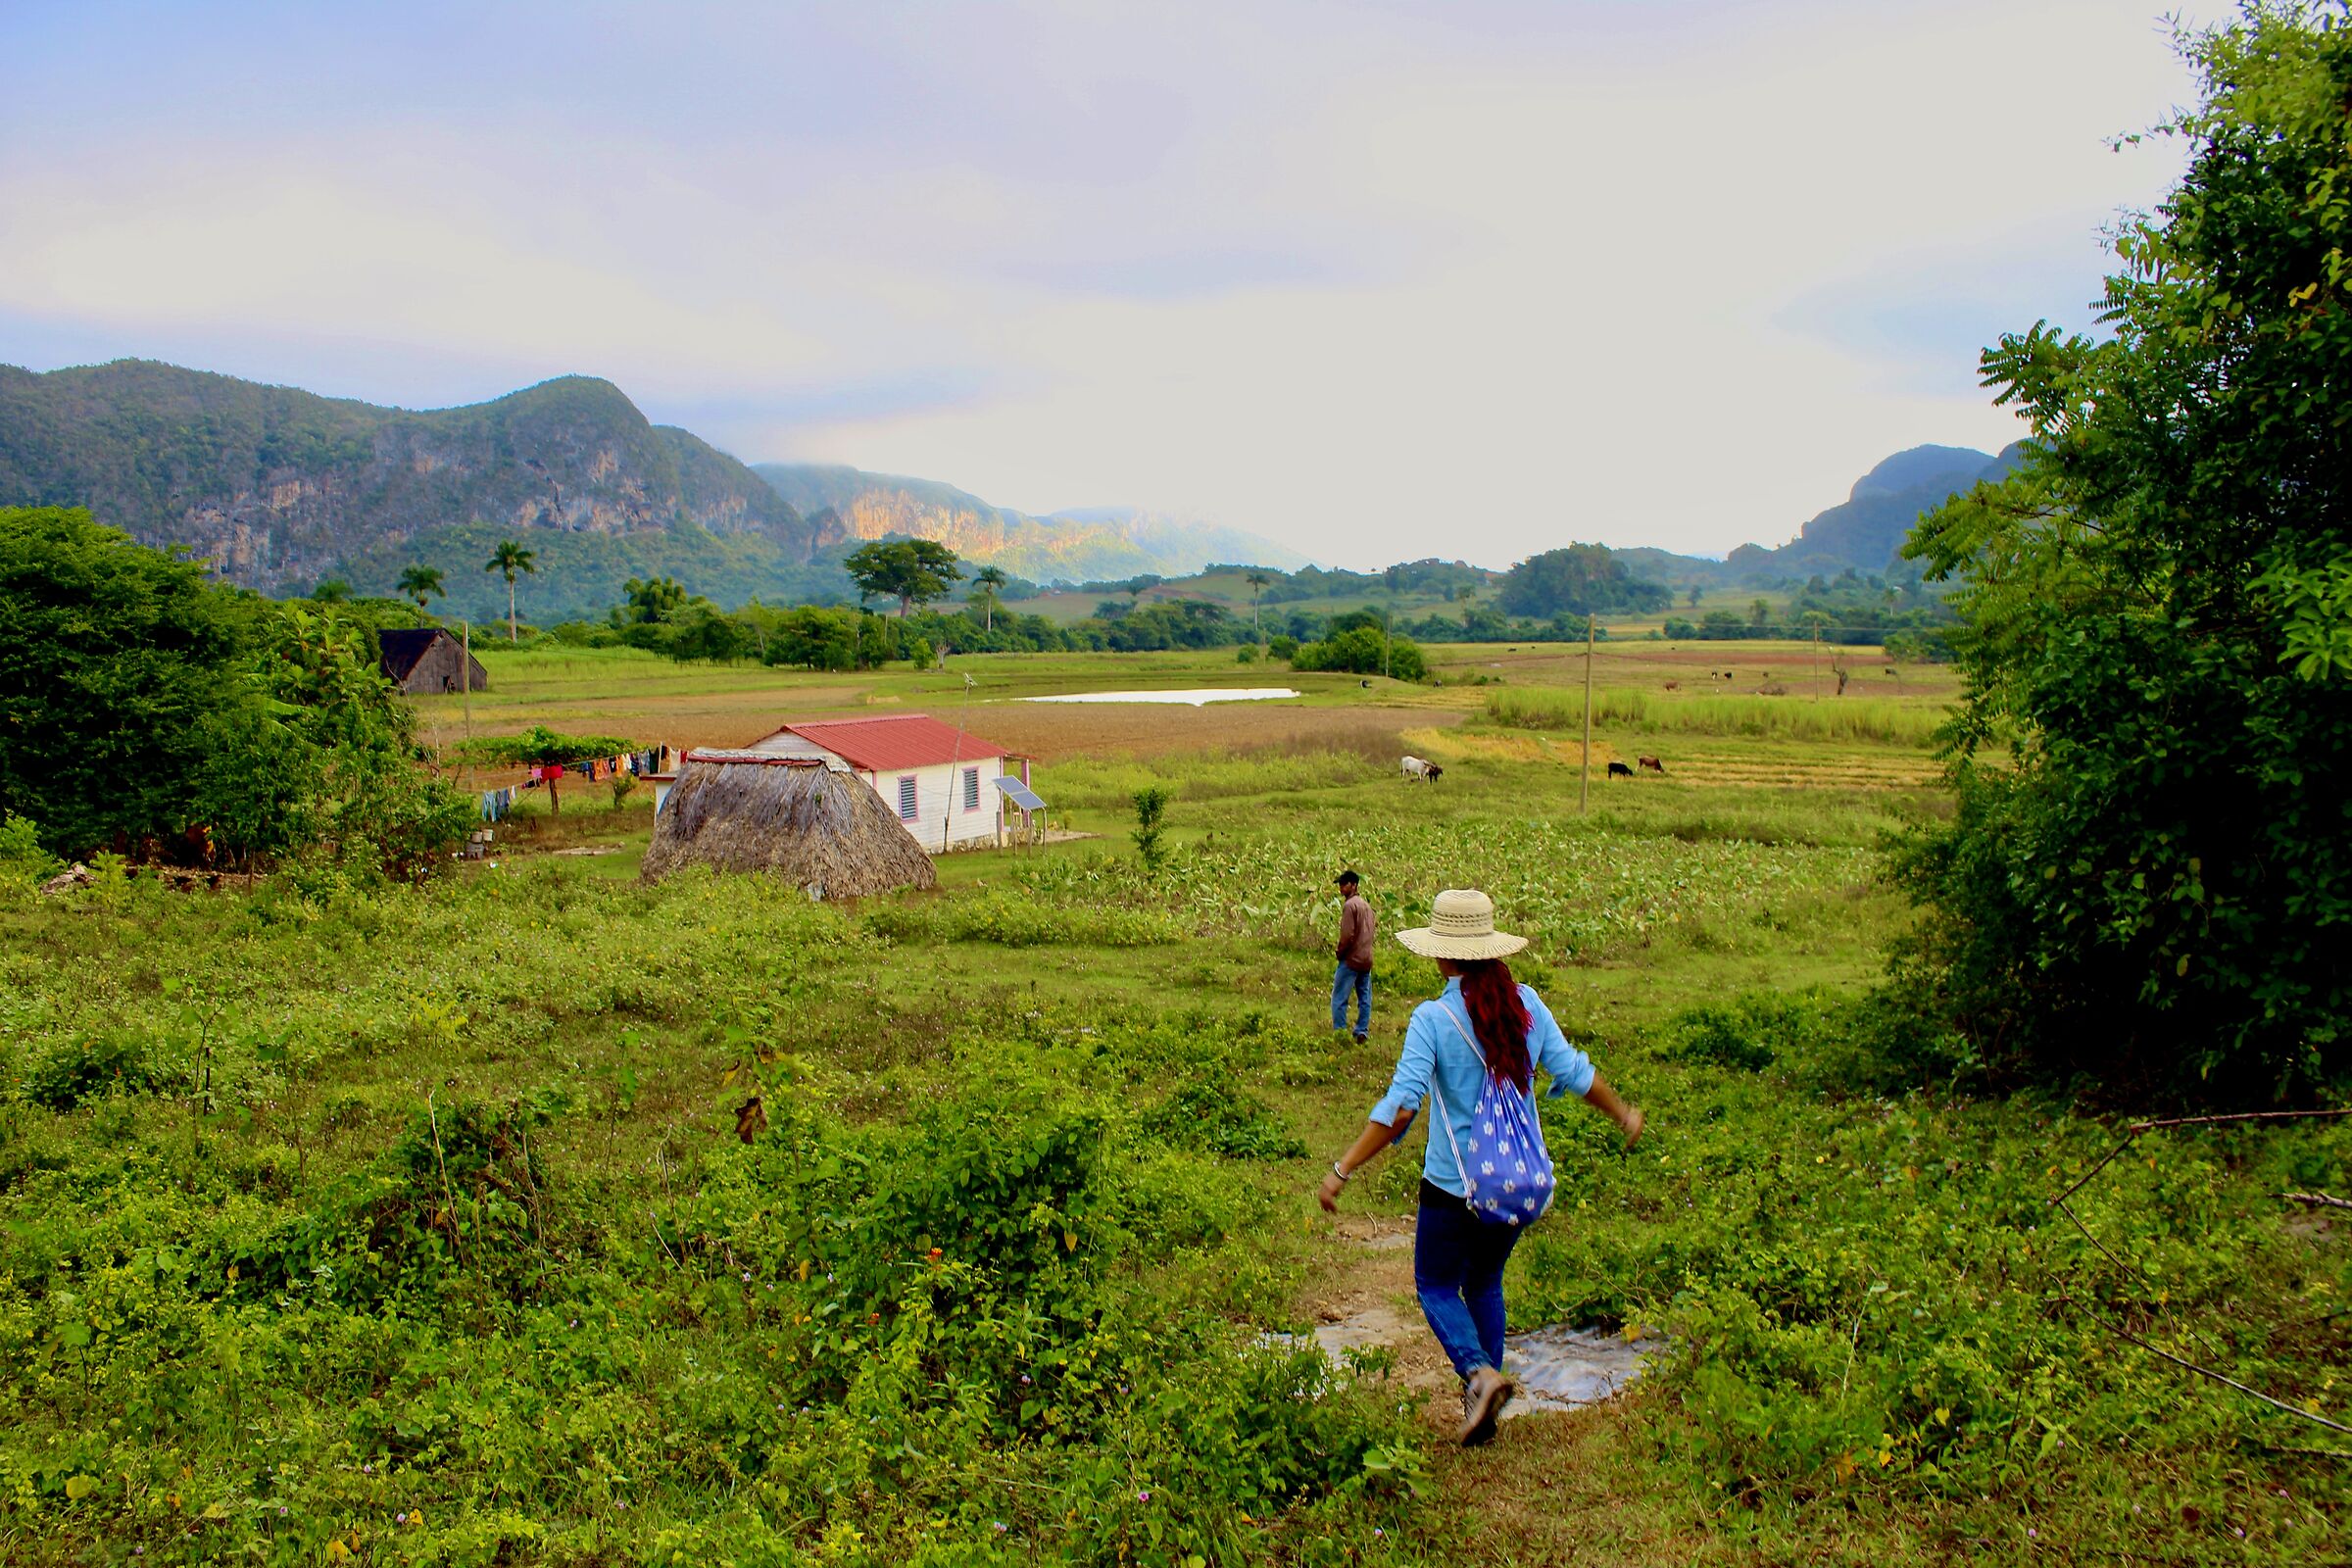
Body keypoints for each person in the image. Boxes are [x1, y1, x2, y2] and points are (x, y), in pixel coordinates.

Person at [1317, 888, 1643, 1446]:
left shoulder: (1434, 1018)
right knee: (1485, 1282)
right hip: (1518, 1183)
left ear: (1442, 954)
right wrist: (1623, 1113)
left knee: (1437, 1284)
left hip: (1453, 1187)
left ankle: (1478, 1374)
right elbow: (1573, 1071)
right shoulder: (1526, 1005)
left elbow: (1401, 1107)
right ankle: (1486, 1410)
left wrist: (1343, 1168)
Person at [1331, 869, 1374, 1043]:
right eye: (1340, 884)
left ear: (1354, 885)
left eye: (1344, 884)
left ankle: (1340, 1033)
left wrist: (1340, 952)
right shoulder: (1367, 906)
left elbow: (1347, 935)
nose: (1341, 888)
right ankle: (1362, 1030)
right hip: (1366, 958)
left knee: (1339, 998)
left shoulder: (1350, 906)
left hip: (1351, 959)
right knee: (1365, 998)